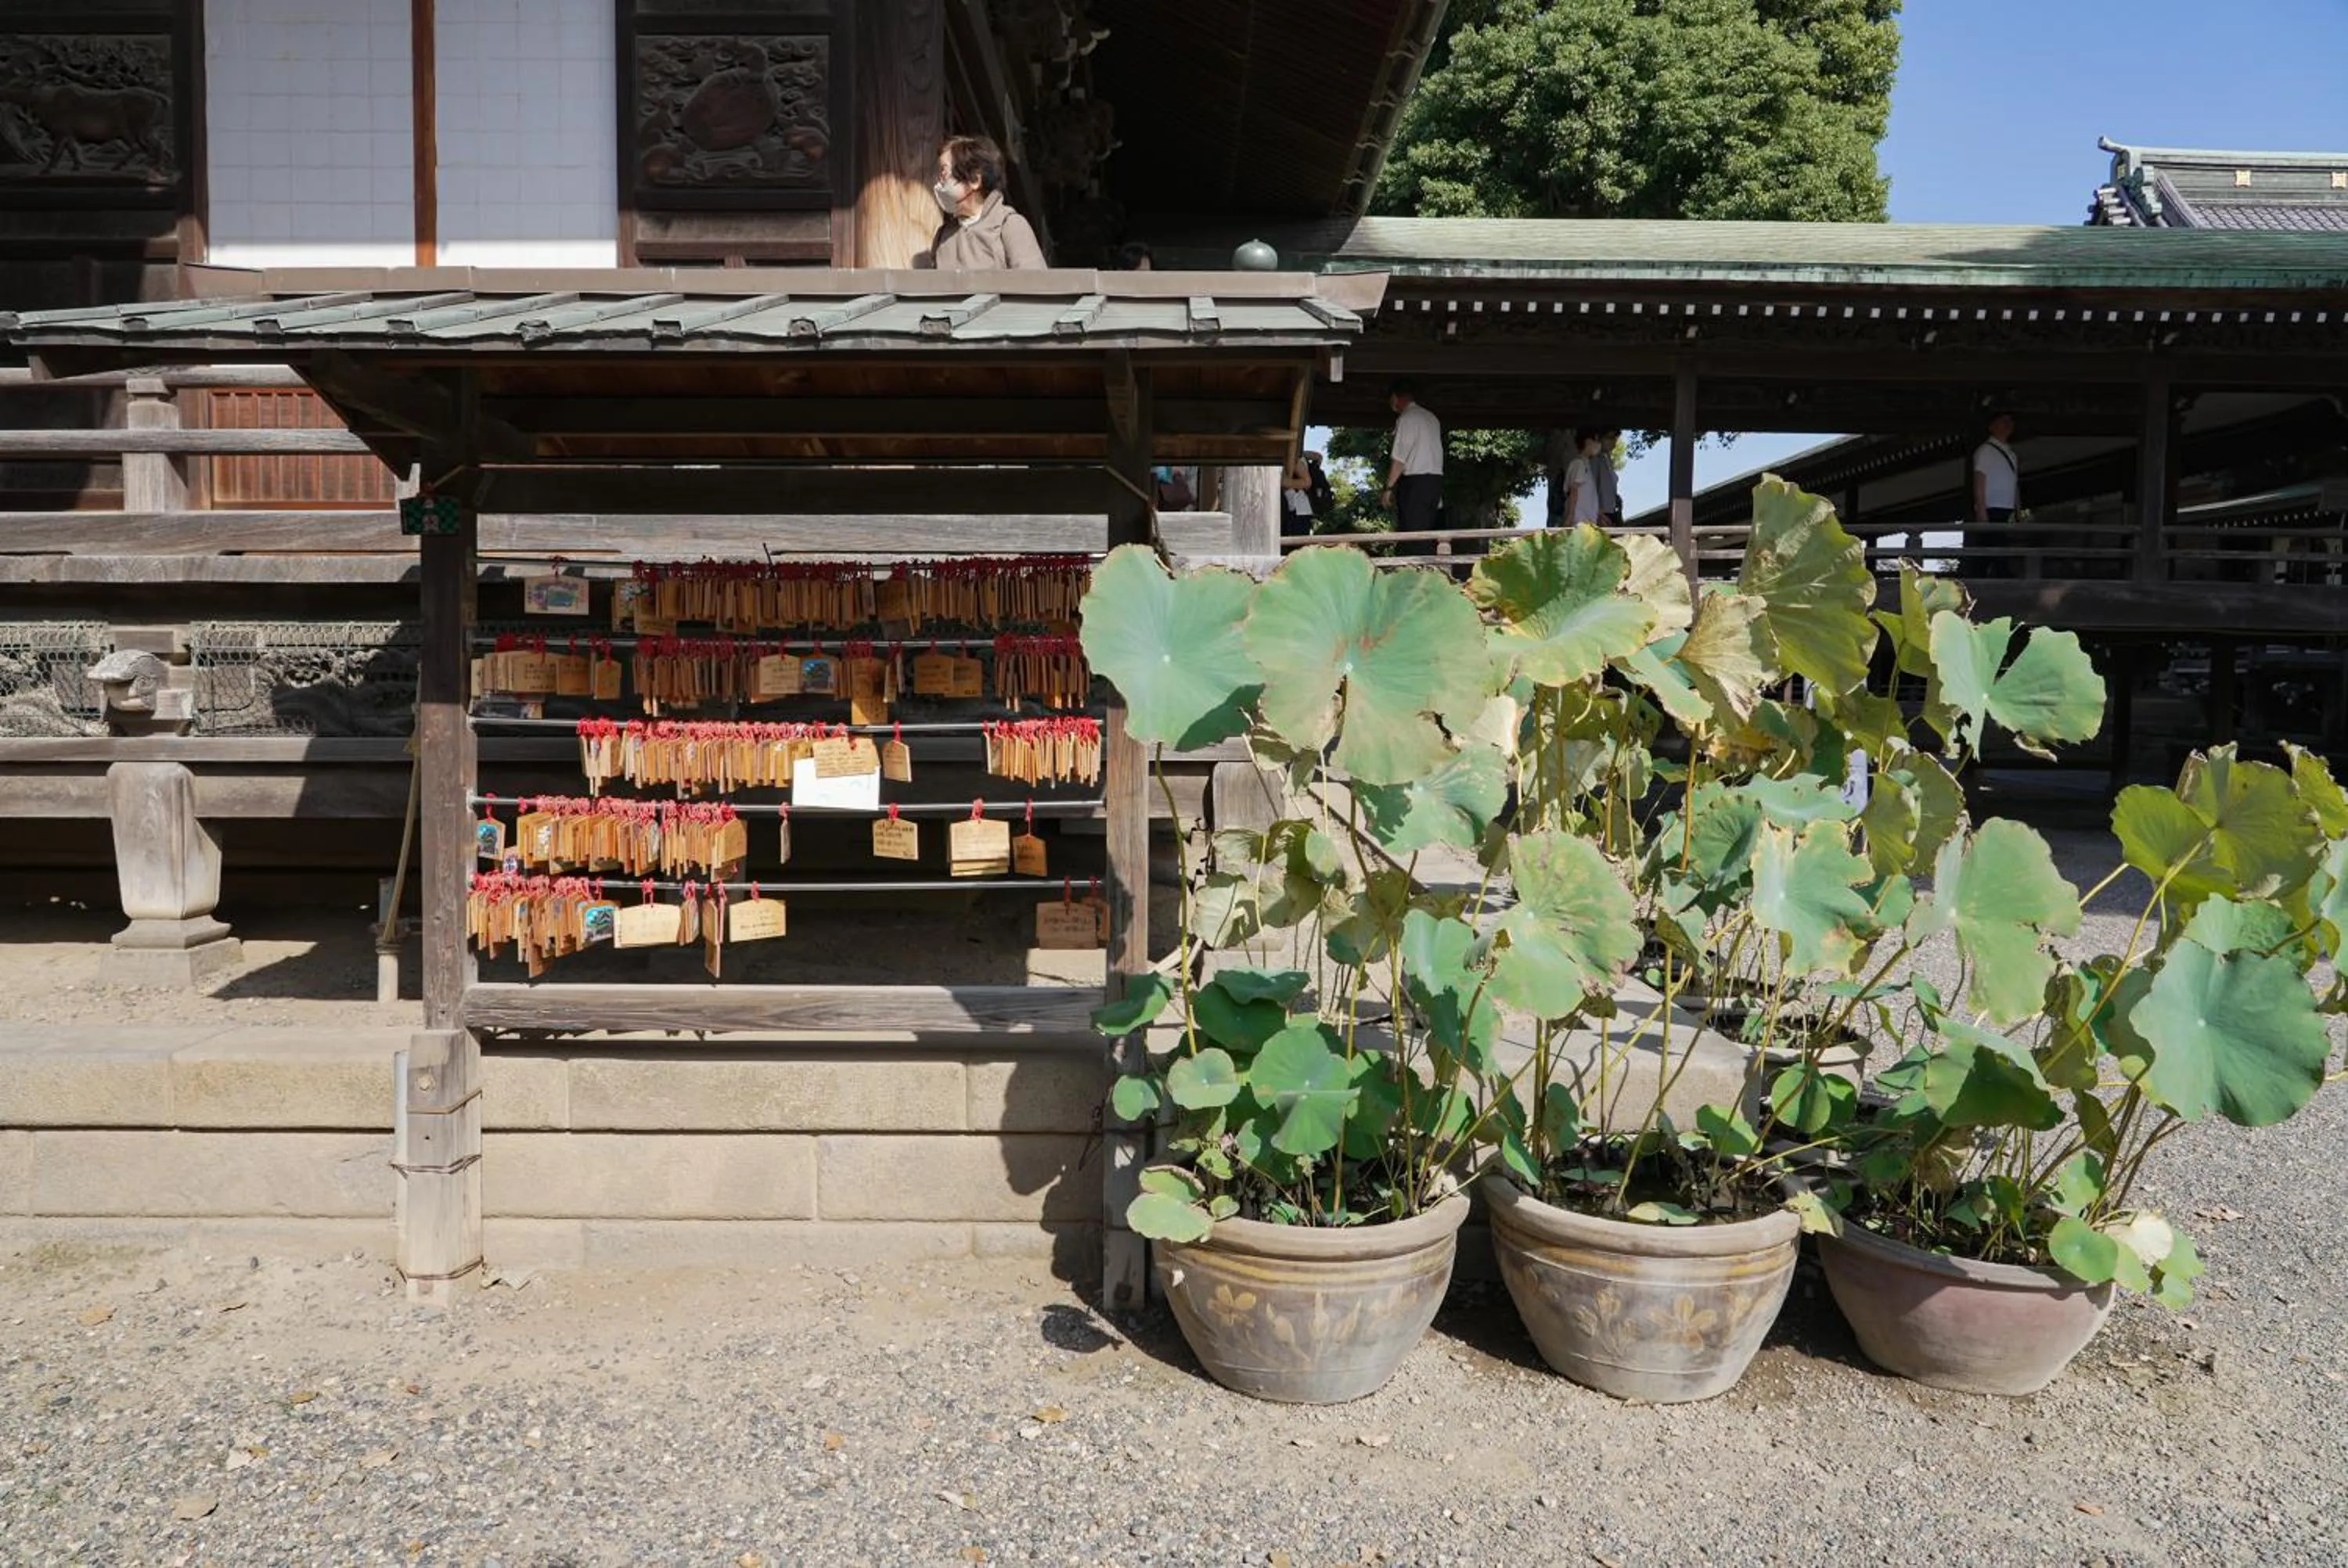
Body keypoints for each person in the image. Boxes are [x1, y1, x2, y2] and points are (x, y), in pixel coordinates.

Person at [920, 135, 1046, 270]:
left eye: (944, 172)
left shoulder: (1009, 225)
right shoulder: (943, 236)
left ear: (975, 180)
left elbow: (1034, 286)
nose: (939, 183)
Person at [1381, 379, 1444, 551]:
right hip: (1435, 481)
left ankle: (1416, 573)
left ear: (1395, 398)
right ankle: (1426, 571)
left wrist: (1388, 489)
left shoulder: (1408, 418)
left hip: (1416, 482)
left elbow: (1400, 459)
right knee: (1426, 533)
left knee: (1413, 536)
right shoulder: (1432, 418)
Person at [1971, 411, 2021, 576]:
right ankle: (2003, 576)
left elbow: (2013, 482)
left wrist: (2017, 508)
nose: (2007, 425)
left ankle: (1980, 578)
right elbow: (1980, 478)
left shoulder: (2011, 454)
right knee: (1995, 546)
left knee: (1989, 548)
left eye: (2009, 421)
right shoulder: (1985, 451)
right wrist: (1981, 507)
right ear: (1992, 426)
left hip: (2005, 506)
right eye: (2003, 421)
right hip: (1991, 506)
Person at [1561, 430, 1606, 527]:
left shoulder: (1585, 464)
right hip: (1579, 522)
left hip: (1586, 522)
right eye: (1597, 441)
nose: (1599, 445)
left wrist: (1599, 515)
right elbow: (1574, 490)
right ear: (1588, 441)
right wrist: (1570, 516)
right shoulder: (1579, 463)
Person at [1281, 451, 1320, 539]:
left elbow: (1307, 483)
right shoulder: (1298, 457)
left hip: (1298, 509)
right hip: (1298, 509)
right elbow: (1318, 457)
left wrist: (1284, 482)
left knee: (1293, 545)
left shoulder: (1294, 459)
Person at [1594, 428, 1625, 528]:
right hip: (1601, 514)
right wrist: (1597, 512)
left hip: (1611, 511)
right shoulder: (1595, 459)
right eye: (1610, 438)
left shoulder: (1608, 460)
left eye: (1615, 438)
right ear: (1599, 438)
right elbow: (1591, 487)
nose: (1614, 441)